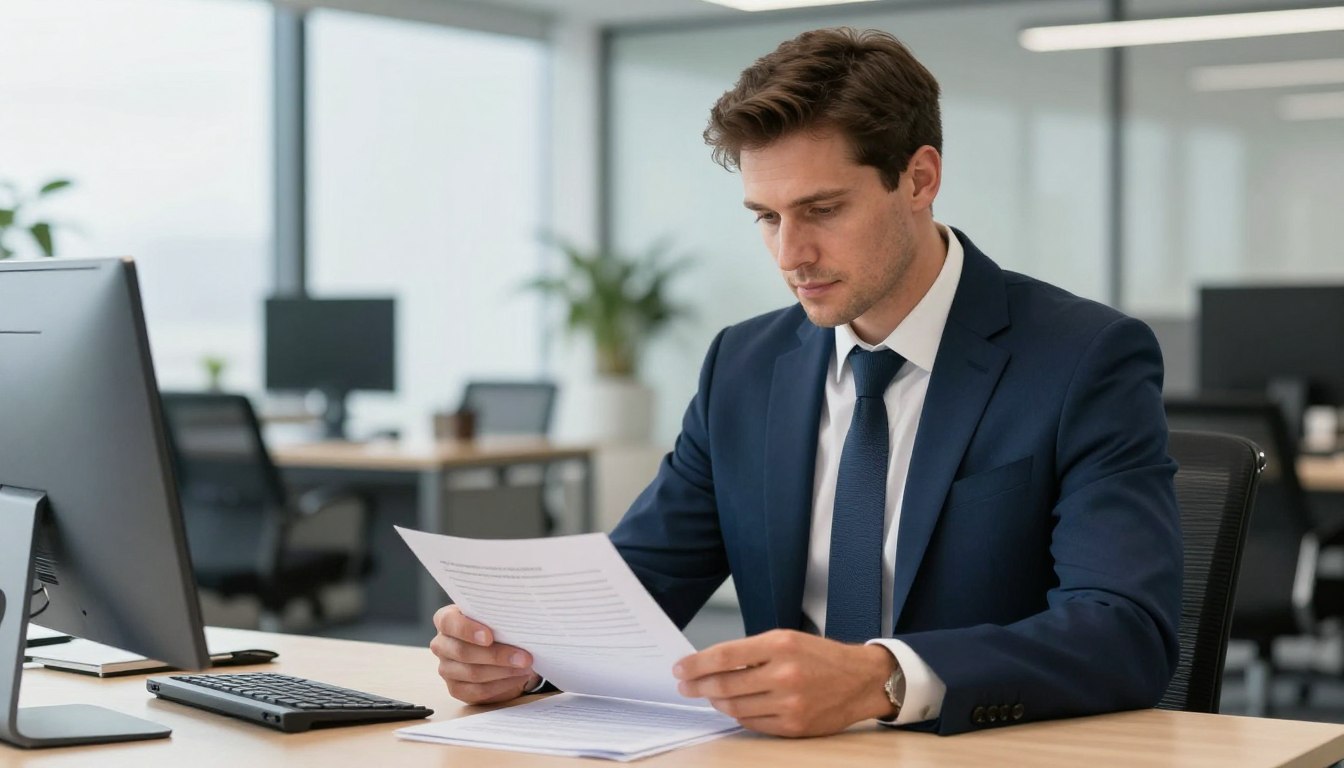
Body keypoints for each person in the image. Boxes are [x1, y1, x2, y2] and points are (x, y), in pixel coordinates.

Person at [430, 26, 1181, 738]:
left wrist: (881, 679)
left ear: (919, 179)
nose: (791, 253)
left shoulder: (1083, 358)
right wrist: (518, 658)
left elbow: (1125, 630)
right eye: (765, 216)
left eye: (822, 210)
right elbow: (637, 590)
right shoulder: (744, 366)